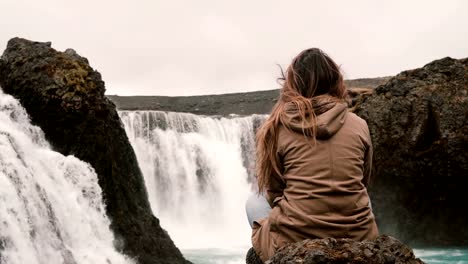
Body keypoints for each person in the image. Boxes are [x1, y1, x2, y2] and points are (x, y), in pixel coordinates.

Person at [245, 48, 378, 262]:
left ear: (293, 84)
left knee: (254, 201)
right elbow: (363, 177)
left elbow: (273, 190)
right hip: (358, 237)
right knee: (363, 197)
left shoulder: (277, 126)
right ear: (335, 81)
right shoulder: (359, 124)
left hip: (293, 240)